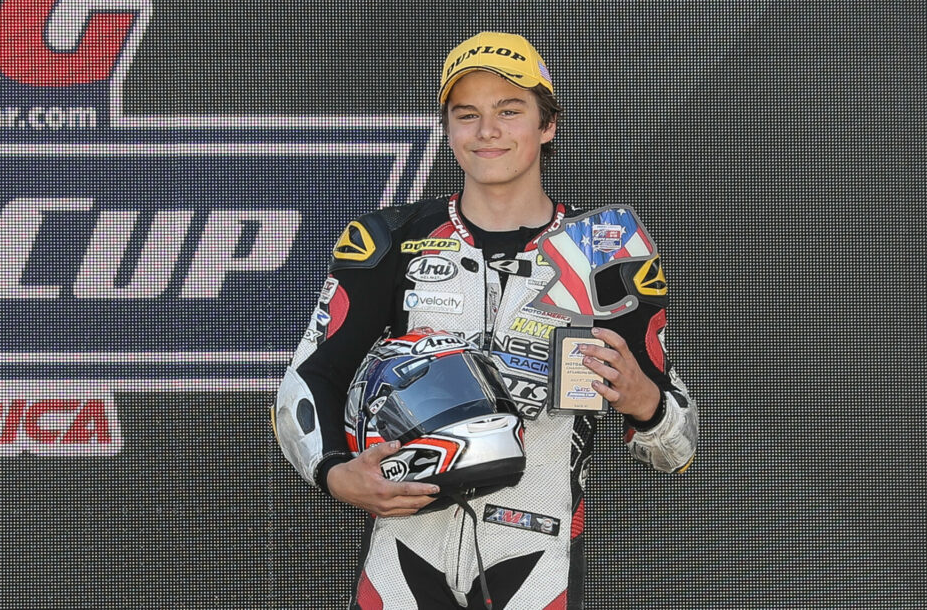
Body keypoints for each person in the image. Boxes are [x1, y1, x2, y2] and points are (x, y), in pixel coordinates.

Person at [274, 31, 699, 610]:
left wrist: (643, 400)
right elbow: (310, 378)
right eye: (466, 114)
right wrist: (333, 473)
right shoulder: (391, 240)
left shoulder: (606, 251)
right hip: (407, 537)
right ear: (448, 128)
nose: (487, 130)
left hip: (538, 544)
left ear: (548, 125)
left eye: (509, 110)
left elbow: (677, 447)